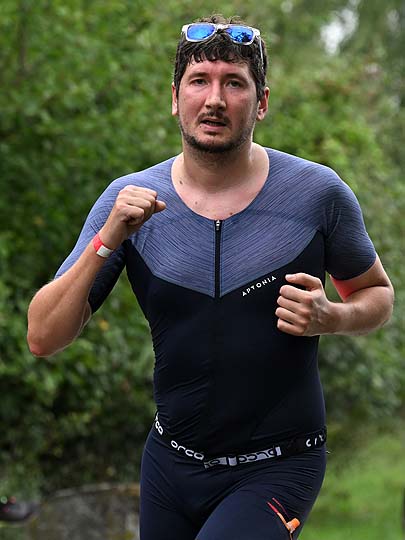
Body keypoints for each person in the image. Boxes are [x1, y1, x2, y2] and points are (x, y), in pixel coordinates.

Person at [27, 14, 394, 540]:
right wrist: (105, 240)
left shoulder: (316, 193)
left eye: (234, 83)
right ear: (175, 98)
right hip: (169, 467)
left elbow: (378, 295)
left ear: (261, 102)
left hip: (278, 465)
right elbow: (42, 336)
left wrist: (332, 317)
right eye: (199, 81)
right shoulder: (128, 201)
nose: (215, 100)